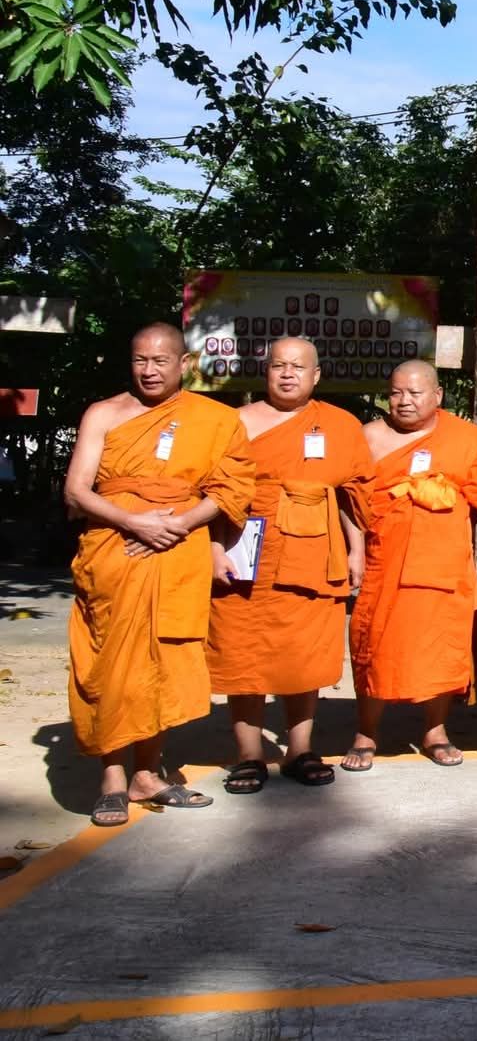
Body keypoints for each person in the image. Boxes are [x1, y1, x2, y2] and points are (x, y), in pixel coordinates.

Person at [66, 323, 253, 826]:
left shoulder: (216, 418)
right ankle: (111, 780)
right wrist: (133, 522)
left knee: (163, 661)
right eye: (140, 360)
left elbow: (233, 488)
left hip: (178, 549)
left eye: (160, 361)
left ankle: (147, 774)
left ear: (184, 364)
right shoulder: (104, 413)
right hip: (113, 547)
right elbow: (77, 490)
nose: (149, 370)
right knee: (111, 661)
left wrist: (176, 525)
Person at [206, 337, 368, 794]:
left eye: (298, 367)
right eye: (279, 365)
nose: (288, 374)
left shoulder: (340, 424)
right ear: (266, 371)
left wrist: (356, 550)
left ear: (316, 375)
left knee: (304, 653)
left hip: (315, 551)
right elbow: (215, 493)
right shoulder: (236, 422)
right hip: (246, 547)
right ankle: (249, 755)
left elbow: (352, 496)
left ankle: (300, 749)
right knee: (243, 650)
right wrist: (214, 549)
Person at [342, 360, 477, 771]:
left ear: (437, 396)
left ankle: (435, 731)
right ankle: (366, 732)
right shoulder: (369, 437)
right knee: (374, 643)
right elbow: (350, 501)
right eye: (396, 393)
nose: (404, 401)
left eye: (414, 392)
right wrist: (355, 551)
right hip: (384, 557)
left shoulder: (464, 436)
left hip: (443, 561)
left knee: (440, 645)